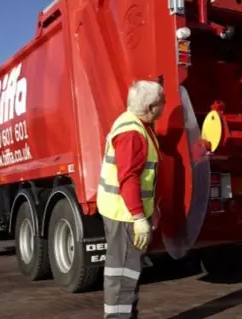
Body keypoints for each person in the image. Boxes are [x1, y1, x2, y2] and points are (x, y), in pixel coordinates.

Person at [97, 80, 166, 319]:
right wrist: (138, 217)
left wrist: (152, 208)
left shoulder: (137, 124)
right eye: (162, 103)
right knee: (123, 276)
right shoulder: (132, 133)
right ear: (149, 107)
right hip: (124, 215)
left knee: (128, 273)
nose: (164, 106)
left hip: (124, 212)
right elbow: (128, 178)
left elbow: (144, 176)